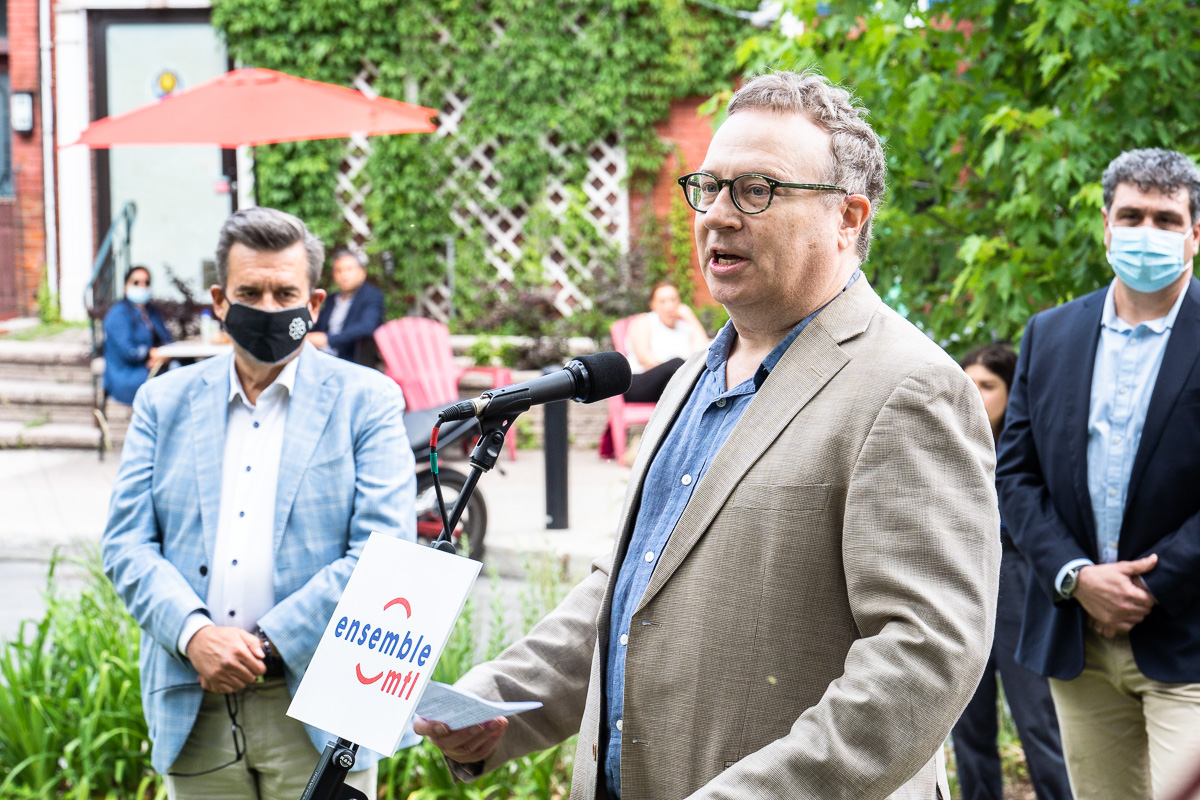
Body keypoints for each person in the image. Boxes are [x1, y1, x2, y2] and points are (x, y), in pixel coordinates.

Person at [416, 69, 1000, 799]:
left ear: (848, 218)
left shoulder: (910, 387)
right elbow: (629, 588)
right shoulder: (692, 375)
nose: (718, 214)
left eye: (757, 190)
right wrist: (501, 702)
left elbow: (925, 659)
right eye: (709, 186)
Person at [101, 207, 415, 800]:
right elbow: (125, 544)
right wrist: (195, 635)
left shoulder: (366, 402)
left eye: (284, 292)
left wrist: (265, 646)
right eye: (250, 292)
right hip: (193, 705)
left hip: (324, 702)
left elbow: (384, 552)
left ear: (314, 303)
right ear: (220, 299)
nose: (268, 309)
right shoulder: (162, 403)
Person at [997, 148, 1200, 800]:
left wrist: (1147, 584)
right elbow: (1016, 476)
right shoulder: (1049, 334)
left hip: (1190, 637)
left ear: (1195, 233)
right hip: (1076, 639)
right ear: (1107, 227)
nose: (1148, 232)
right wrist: (1077, 577)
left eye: (1167, 219)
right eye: (1132, 215)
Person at [952, 343, 1073, 800]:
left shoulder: (1031, 448)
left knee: (1038, 719)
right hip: (962, 580)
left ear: (1011, 390)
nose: (977, 394)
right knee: (967, 720)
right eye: (970, 384)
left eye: (988, 385)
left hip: (1019, 580)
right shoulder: (945, 439)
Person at [623, 281, 709, 403]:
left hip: (672, 385)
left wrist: (691, 317)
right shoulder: (644, 321)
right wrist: (678, 374)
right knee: (677, 363)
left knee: (677, 385)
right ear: (653, 304)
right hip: (639, 383)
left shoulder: (685, 327)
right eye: (663, 302)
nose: (670, 306)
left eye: (673, 300)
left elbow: (702, 354)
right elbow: (644, 359)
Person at [103, 265, 174, 404]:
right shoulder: (118, 313)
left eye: (146, 282)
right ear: (126, 286)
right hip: (128, 375)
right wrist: (150, 354)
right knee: (175, 379)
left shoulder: (152, 311)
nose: (142, 286)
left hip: (156, 366)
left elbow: (167, 340)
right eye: (136, 282)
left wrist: (164, 358)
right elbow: (128, 351)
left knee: (187, 367)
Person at [307, 248, 385, 364]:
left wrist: (328, 339)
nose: (343, 275)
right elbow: (317, 324)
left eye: (349, 269)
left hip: (351, 359)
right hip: (321, 355)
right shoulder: (331, 299)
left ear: (362, 272)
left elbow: (366, 327)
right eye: (338, 270)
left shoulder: (372, 296)